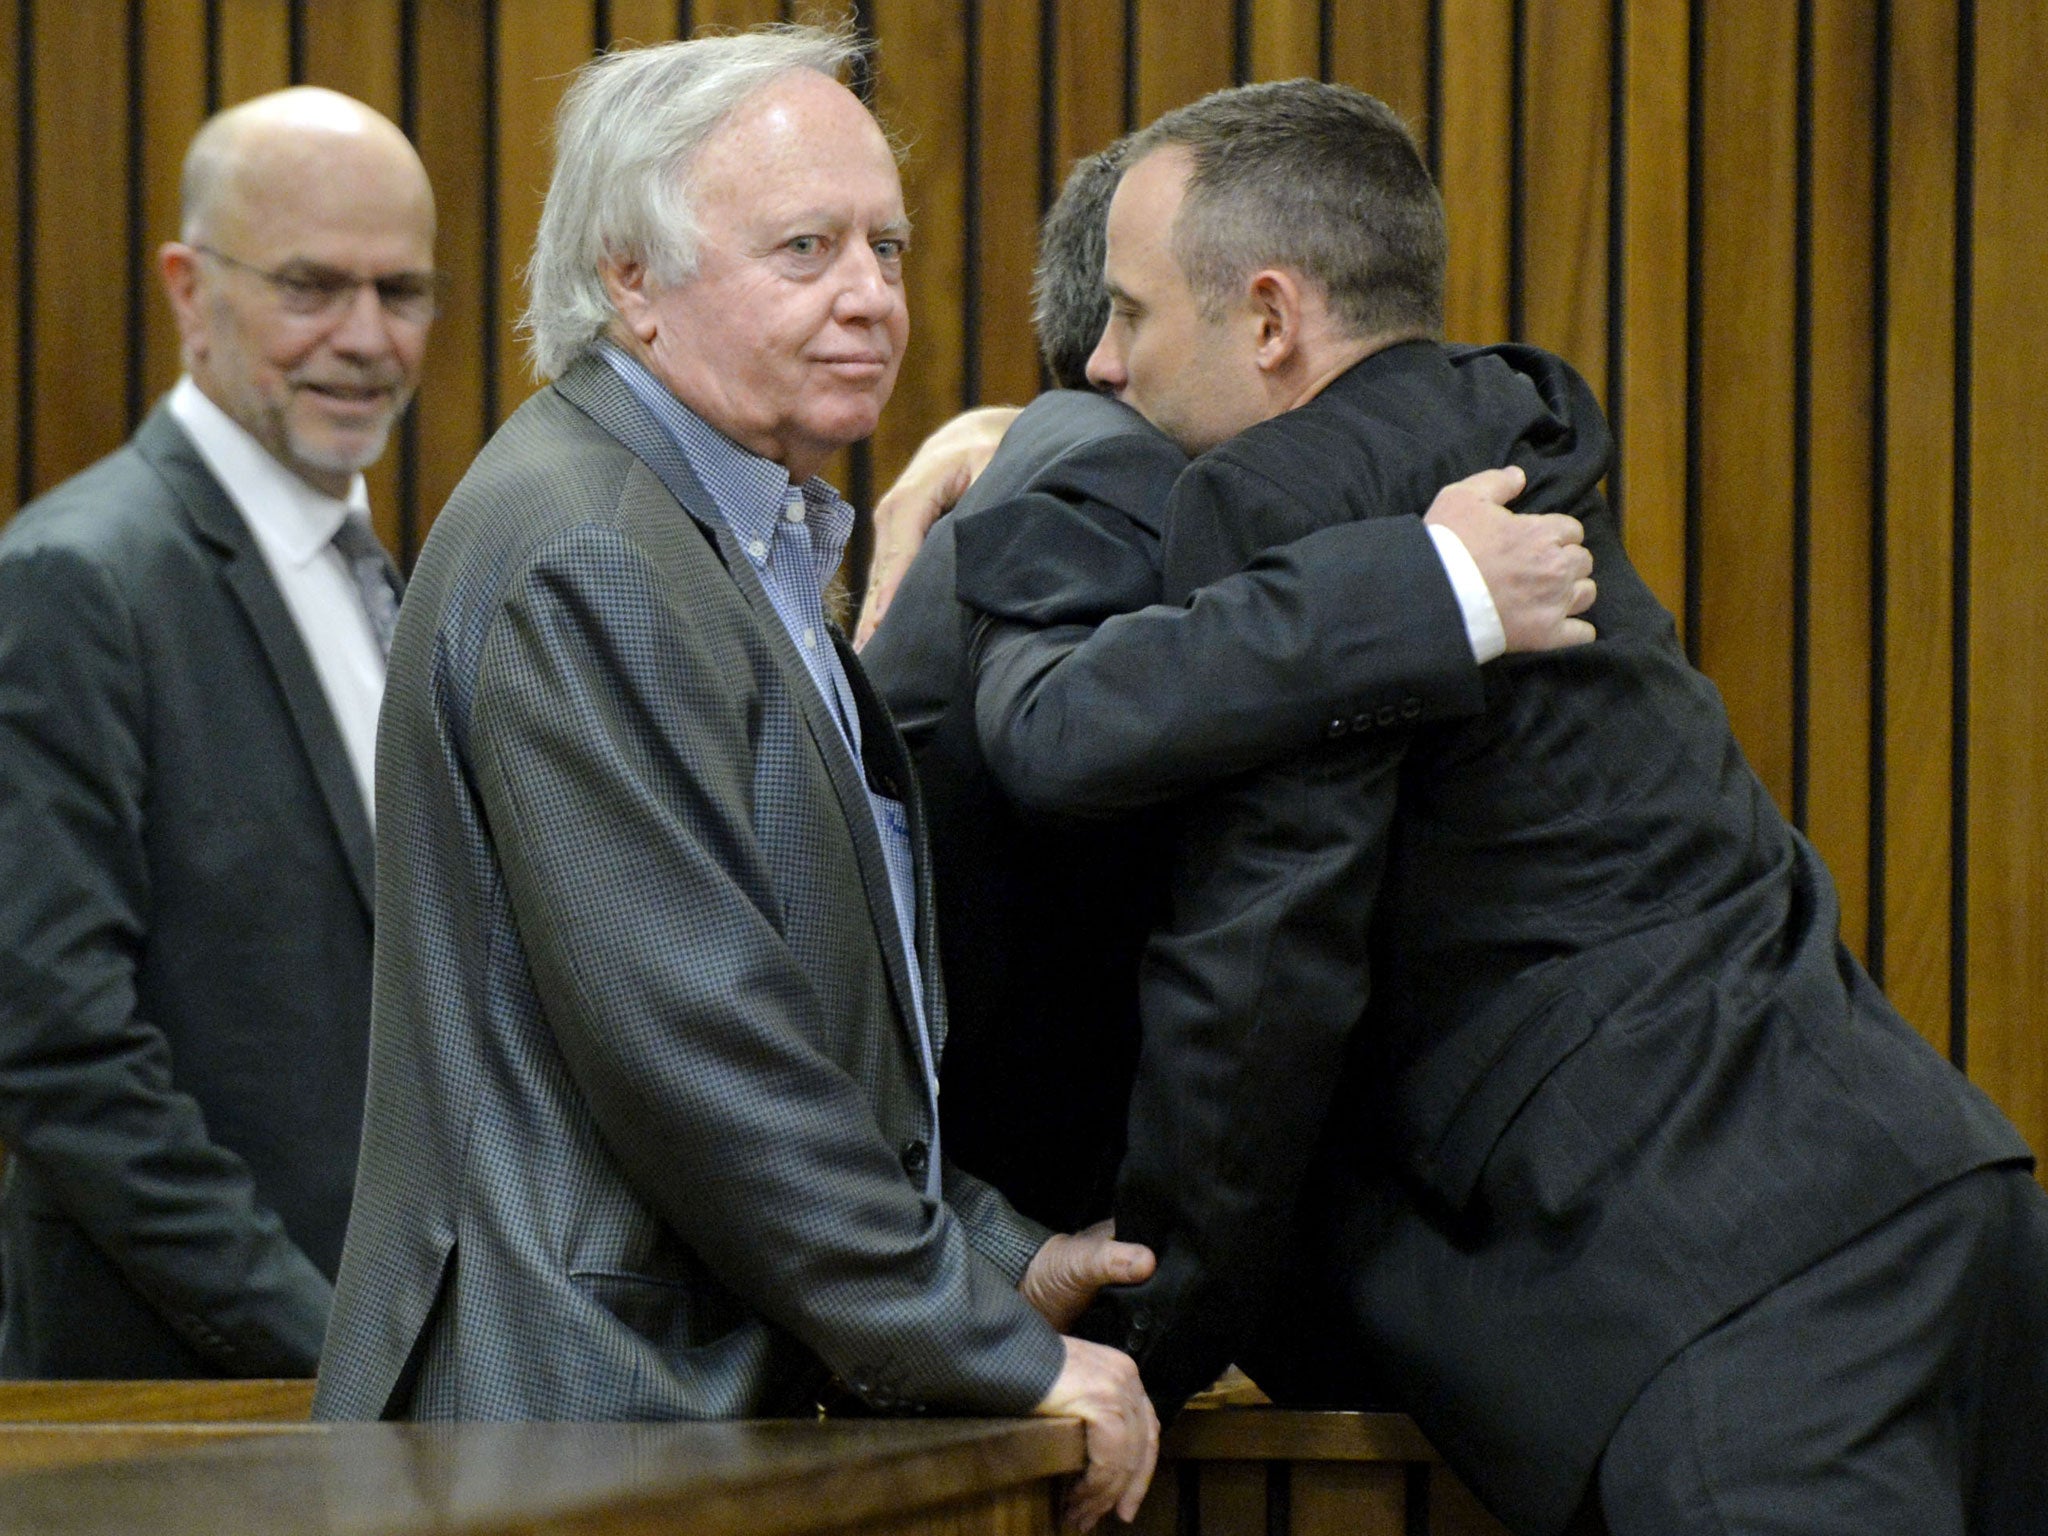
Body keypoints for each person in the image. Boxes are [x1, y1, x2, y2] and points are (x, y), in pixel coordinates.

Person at [974, 82, 2046, 1536]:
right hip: (1944, 1197)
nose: (1101, 364)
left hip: (1727, 1300)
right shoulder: (1506, 427)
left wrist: (1146, 1334)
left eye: (1134, 314)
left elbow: (1263, 974)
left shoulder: (1284, 502)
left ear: (1271, 317)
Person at [312, 29, 1154, 1529]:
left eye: (886, 244)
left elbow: (810, 1015)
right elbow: (699, 1047)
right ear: (630, 278)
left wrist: (993, 1254)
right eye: (806, 247)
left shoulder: (731, 537)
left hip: (659, 1418)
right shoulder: (591, 550)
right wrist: (987, 1340)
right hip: (577, 1421)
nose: (873, 295)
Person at [860, 142, 1597, 1231]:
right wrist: (1429, 587)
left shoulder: (1064, 453)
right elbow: (1056, 729)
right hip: (968, 1191)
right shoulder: (1099, 454)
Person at [0, 88, 435, 1378]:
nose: (365, 340)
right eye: (312, 287)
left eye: (402, 292)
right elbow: (59, 1053)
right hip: (184, 1407)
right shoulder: (78, 581)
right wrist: (325, 1354)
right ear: (189, 290)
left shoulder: (382, 575)